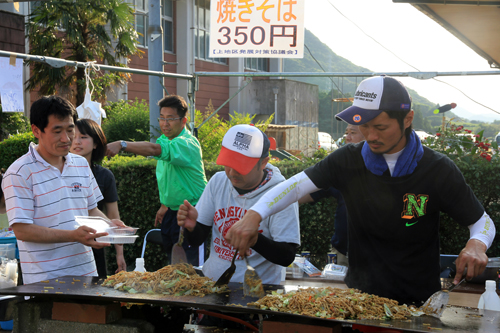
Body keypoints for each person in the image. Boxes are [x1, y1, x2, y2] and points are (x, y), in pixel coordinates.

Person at [225, 75, 495, 305]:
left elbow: (481, 221)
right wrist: (254, 215)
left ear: (408, 119)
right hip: (361, 300)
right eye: (364, 126)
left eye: (380, 126)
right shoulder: (347, 160)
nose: (371, 136)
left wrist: (476, 244)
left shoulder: (437, 169)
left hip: (419, 302)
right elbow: (294, 187)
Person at [1, 96, 124, 284]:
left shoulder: (81, 164)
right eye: (57, 131)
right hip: (44, 282)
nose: (66, 139)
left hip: (86, 273)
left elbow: (91, 209)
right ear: (36, 130)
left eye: (70, 129)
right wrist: (73, 236)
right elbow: (22, 230)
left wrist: (110, 226)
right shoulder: (19, 172)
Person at [177, 124, 300, 284]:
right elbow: (196, 240)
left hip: (258, 294)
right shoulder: (218, 182)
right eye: (229, 164)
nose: (232, 173)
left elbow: (286, 256)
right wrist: (191, 227)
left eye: (241, 166)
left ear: (263, 163)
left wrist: (255, 240)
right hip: (212, 287)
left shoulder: (281, 192)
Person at [106, 95, 207, 266]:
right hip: (172, 213)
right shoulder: (166, 140)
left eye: (170, 119)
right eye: (162, 118)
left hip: (191, 213)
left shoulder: (187, 143)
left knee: (191, 270)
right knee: (173, 265)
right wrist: (164, 205)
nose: (164, 123)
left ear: (183, 121)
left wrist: (122, 144)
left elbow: (153, 149)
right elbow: (169, 177)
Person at [299, 124, 365, 266]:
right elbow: (307, 194)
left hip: (373, 256)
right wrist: (277, 203)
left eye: (353, 133)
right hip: (342, 253)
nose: (347, 138)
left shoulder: (384, 170)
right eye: (346, 133)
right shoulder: (341, 170)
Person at [71, 118, 126, 276]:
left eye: (83, 137)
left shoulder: (104, 176)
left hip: (94, 244)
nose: (77, 142)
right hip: (65, 244)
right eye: (73, 136)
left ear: (96, 143)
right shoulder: (59, 172)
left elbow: (113, 216)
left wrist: (119, 253)